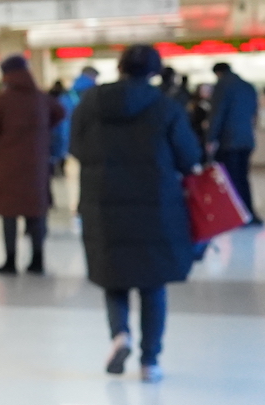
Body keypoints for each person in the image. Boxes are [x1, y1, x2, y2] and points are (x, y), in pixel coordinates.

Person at [71, 44, 203, 382]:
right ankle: (150, 361)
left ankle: (120, 335)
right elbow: (189, 157)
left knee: (112, 275)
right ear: (155, 71)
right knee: (151, 284)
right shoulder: (165, 106)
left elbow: (76, 148)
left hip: (104, 201)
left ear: (119, 67)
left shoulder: (91, 103)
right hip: (155, 204)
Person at [0, 55, 63, 275]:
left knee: (9, 215)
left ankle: (10, 260)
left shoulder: (1, 100)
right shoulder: (40, 98)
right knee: (36, 213)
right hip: (36, 165)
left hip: (6, 166)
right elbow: (60, 112)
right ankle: (37, 259)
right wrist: (42, 132)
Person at [207, 61, 261, 224]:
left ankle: (237, 215)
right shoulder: (248, 86)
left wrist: (210, 138)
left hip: (228, 140)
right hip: (246, 139)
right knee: (243, 177)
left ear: (218, 73)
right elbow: (254, 113)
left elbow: (217, 114)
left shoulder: (222, 86)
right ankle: (248, 212)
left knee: (231, 179)